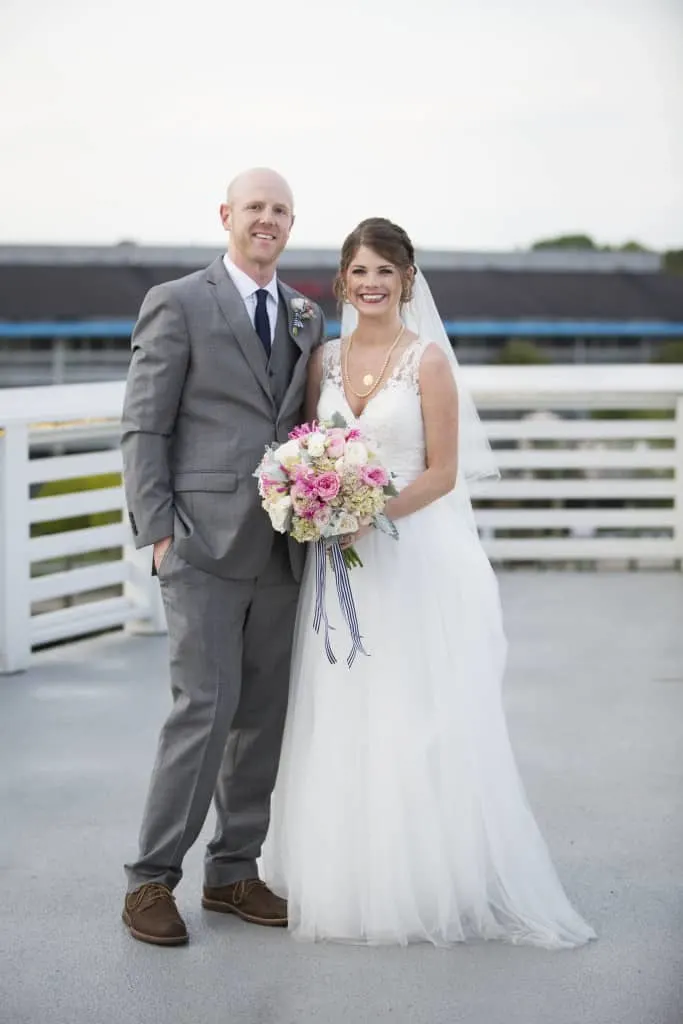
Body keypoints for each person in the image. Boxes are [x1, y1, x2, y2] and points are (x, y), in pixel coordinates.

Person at [262, 217, 596, 949]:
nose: (372, 284)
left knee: (416, 709)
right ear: (342, 281)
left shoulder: (428, 363)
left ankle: (422, 880)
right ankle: (346, 875)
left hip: (414, 557)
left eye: (386, 271)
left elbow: (442, 472)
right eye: (359, 272)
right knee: (346, 707)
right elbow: (303, 447)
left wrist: (367, 511)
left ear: (407, 279)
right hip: (339, 562)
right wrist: (314, 499)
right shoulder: (321, 359)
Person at [120, 168, 325, 946]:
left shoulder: (305, 312)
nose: (266, 220)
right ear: (226, 216)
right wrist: (158, 532)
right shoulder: (178, 300)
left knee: (261, 719)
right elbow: (145, 423)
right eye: (255, 208)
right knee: (202, 713)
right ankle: (149, 881)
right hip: (200, 542)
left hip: (282, 544)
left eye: (279, 210)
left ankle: (234, 871)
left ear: (289, 222)